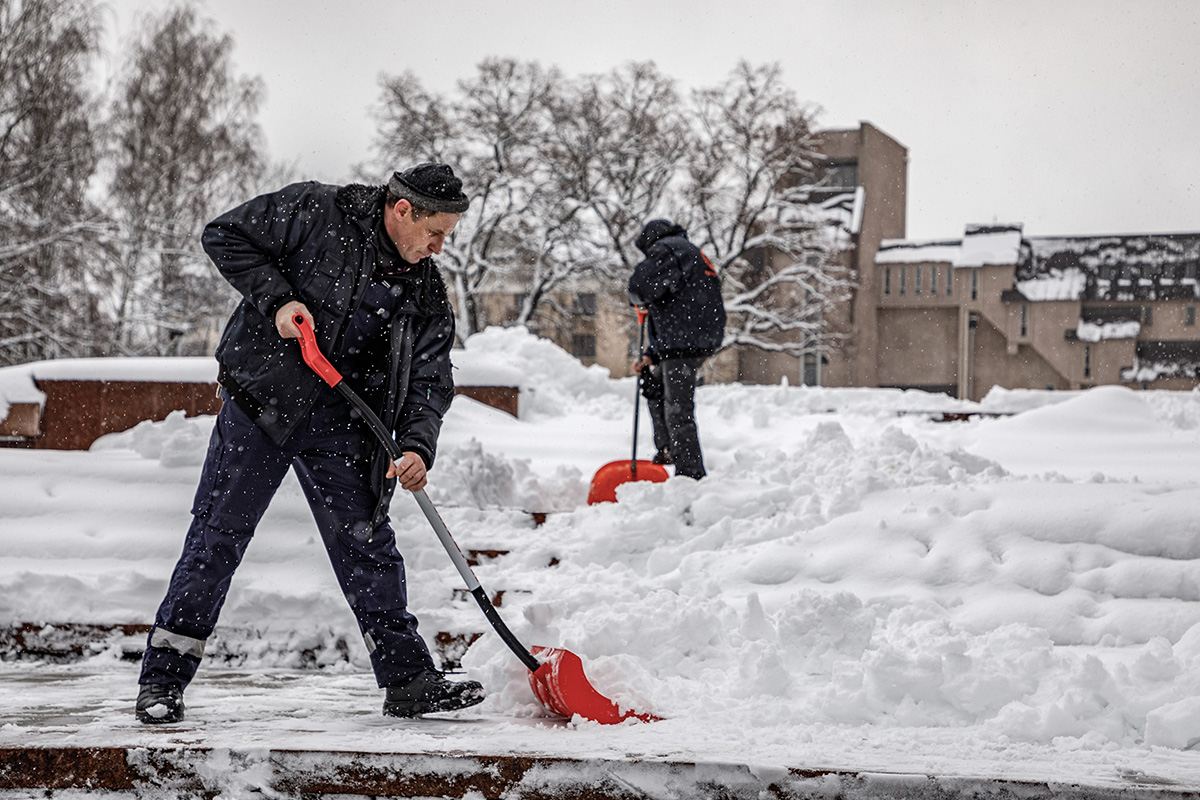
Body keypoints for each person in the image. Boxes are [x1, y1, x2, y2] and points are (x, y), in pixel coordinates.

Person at [135, 164, 485, 724]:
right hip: (261, 407)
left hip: (344, 425)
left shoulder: (423, 288)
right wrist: (276, 300)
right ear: (402, 211)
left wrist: (418, 444)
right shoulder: (317, 212)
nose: (440, 247)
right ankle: (162, 682)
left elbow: (430, 376)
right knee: (217, 537)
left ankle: (409, 681)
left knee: (366, 546)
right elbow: (224, 233)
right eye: (436, 232)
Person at [627, 219, 726, 480]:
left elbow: (638, 287)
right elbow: (681, 306)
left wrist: (637, 299)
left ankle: (690, 476)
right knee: (654, 386)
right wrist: (653, 353)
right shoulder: (689, 251)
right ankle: (669, 449)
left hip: (684, 343)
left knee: (678, 408)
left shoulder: (668, 249)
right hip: (693, 340)